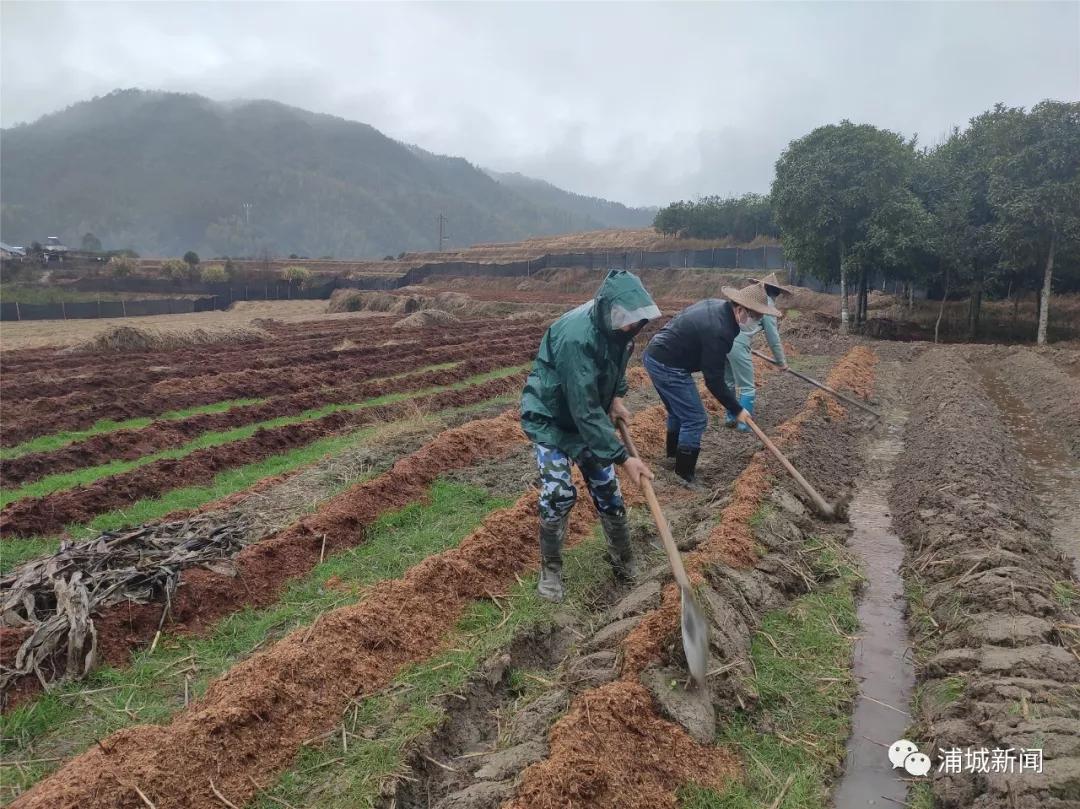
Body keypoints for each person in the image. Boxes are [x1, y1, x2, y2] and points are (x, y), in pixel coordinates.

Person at [520, 269, 661, 602]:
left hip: (587, 417)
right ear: (608, 309)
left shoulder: (624, 329)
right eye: (627, 320)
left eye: (635, 321)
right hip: (551, 418)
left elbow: (615, 368)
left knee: (608, 490)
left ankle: (623, 558)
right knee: (558, 493)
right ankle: (551, 570)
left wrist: (616, 397)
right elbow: (583, 409)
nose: (633, 327)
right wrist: (625, 458)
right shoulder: (576, 338)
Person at [642, 283, 781, 486]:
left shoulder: (720, 308)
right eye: (755, 317)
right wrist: (737, 408)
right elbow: (713, 380)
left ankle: (672, 458)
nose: (755, 322)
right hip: (667, 365)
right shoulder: (720, 329)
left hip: (656, 354)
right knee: (695, 418)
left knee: (677, 411)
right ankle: (684, 474)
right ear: (740, 309)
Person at [724, 272, 794, 432]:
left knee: (729, 382)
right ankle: (744, 424)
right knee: (747, 387)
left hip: (724, 341)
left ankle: (730, 416)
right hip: (738, 345)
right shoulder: (765, 307)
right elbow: (773, 338)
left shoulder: (749, 300)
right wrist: (782, 363)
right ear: (776, 293)